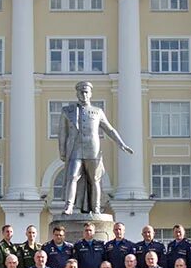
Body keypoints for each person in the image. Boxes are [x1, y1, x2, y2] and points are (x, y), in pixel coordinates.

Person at [58, 79, 135, 214]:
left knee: (95, 180)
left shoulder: (97, 111)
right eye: (81, 92)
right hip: (75, 149)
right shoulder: (67, 111)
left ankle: (96, 208)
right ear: (77, 94)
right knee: (72, 176)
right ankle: (69, 206)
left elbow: (109, 129)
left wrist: (121, 143)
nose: (84, 95)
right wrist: (62, 151)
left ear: (91, 94)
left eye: (86, 92)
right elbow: (62, 133)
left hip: (92, 150)